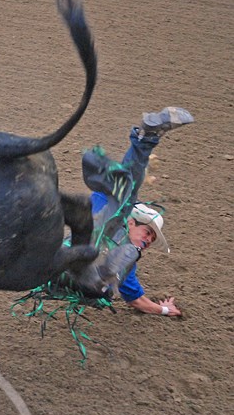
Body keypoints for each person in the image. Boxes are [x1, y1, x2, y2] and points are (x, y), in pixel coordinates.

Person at [78, 106, 193, 317]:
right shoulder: (109, 208)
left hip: (63, 265)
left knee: (123, 197)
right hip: (73, 249)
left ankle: (146, 138)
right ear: (132, 223)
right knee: (123, 197)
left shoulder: (127, 261)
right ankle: (147, 138)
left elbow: (136, 300)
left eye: (152, 237)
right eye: (148, 232)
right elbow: (123, 187)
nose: (149, 240)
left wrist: (166, 310)